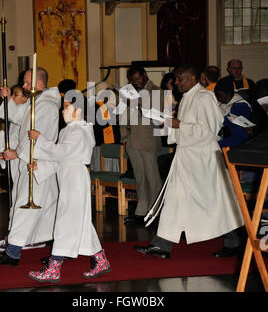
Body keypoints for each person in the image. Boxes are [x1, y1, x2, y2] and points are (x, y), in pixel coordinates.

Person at [133, 64, 244, 259]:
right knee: (175, 200)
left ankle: (234, 241)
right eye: (176, 79)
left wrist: (175, 123)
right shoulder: (187, 98)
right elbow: (188, 127)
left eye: (180, 79)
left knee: (215, 201)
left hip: (203, 159)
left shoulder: (204, 97)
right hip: (186, 157)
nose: (176, 83)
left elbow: (208, 131)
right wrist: (169, 122)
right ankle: (162, 245)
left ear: (193, 79)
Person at [26, 93, 111, 282]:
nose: (63, 110)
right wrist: (41, 166)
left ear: (79, 110)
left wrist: (41, 139)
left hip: (75, 179)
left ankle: (54, 267)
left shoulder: (80, 131)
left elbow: (63, 152)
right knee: (78, 220)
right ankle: (100, 259)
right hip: (67, 177)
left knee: (66, 220)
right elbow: (60, 157)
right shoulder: (68, 130)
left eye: (67, 107)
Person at [0, 67, 61, 266]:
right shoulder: (36, 103)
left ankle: (12, 253)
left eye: (28, 83)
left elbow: (36, 136)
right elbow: (18, 119)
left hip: (38, 164)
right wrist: (8, 99)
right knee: (47, 211)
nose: (25, 86)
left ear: (40, 83)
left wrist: (17, 153)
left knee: (25, 208)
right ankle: (57, 252)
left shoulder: (46, 106)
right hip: (30, 163)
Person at [0, 84, 46, 252]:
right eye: (12, 95)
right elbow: (13, 140)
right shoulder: (19, 117)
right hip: (17, 162)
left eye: (16, 95)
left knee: (21, 201)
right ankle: (15, 236)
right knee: (16, 200)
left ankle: (15, 239)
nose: (13, 98)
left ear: (26, 98)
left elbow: (25, 142)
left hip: (26, 162)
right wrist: (3, 151)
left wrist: (12, 151)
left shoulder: (29, 115)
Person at [120, 65, 163, 225]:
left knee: (152, 177)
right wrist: (123, 134)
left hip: (148, 139)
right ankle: (141, 211)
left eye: (138, 78)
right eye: (133, 80)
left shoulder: (156, 91)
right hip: (132, 140)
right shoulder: (129, 93)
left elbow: (157, 117)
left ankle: (155, 212)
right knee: (139, 178)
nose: (136, 82)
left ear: (145, 75)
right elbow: (123, 113)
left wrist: (136, 103)